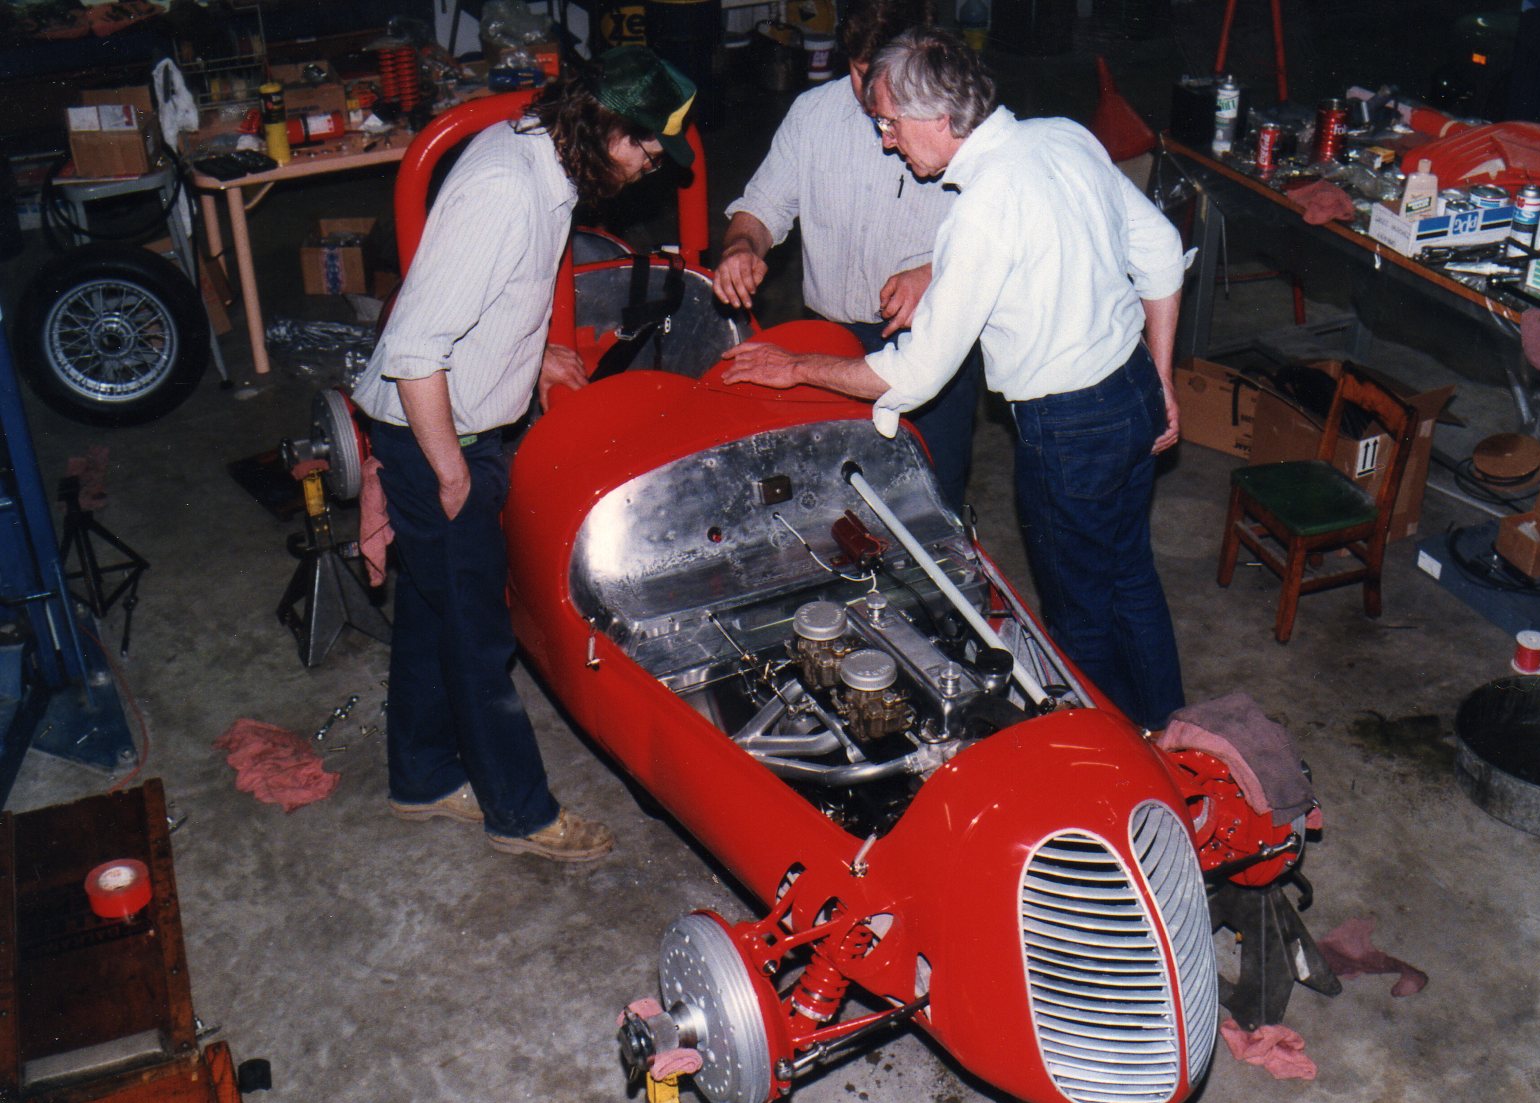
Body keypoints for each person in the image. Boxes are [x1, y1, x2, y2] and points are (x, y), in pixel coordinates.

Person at [722, 28, 1189, 727]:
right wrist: (1159, 379)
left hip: (1066, 428)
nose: (884, 141)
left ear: (939, 119)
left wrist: (794, 367)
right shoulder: (1060, 136)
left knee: (1076, 617)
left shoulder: (977, 214)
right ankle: (1169, 732)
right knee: (1129, 578)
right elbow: (1156, 249)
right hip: (1126, 390)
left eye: (889, 123)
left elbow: (913, 373)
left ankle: (1109, 765)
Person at [350, 47, 696, 861]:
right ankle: (521, 814)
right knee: (480, 635)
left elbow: (488, 289)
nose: (652, 165)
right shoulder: (507, 187)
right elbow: (412, 347)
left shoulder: (543, 159)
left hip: (449, 423)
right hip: (436, 433)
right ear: (605, 122)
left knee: (434, 610)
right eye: (646, 145)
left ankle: (422, 776)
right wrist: (451, 471)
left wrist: (529, 352)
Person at [712, 0, 980, 513]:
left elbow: (1002, 234)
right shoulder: (812, 116)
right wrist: (744, 245)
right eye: (862, 74)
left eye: (892, 79)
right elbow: (763, 206)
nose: (875, 94)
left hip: (929, 340)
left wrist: (934, 273)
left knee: (930, 504)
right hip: (831, 342)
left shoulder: (954, 124)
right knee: (836, 505)